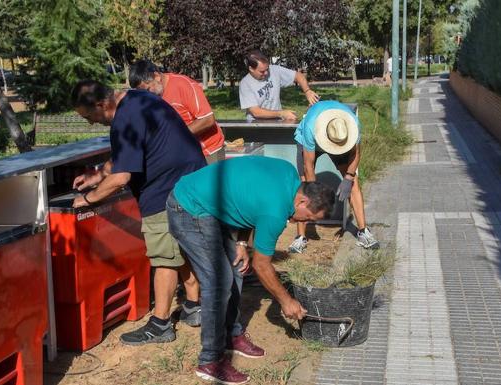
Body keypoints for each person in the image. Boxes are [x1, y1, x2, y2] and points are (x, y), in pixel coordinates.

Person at [167, 156, 335, 384]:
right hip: (189, 207)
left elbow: (248, 204)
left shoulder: (289, 175)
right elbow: (262, 265)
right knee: (218, 283)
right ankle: (210, 361)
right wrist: (286, 301)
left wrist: (242, 244)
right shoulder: (275, 212)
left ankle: (231, 336)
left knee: (236, 268)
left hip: (210, 207)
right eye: (309, 218)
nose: (306, 222)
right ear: (303, 202)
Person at [70, 80, 207, 345]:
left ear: (102, 104)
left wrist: (88, 199)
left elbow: (122, 177)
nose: (90, 123)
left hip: (166, 190)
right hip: (191, 181)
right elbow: (130, 150)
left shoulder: (124, 120)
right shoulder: (138, 100)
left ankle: (161, 324)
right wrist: (99, 175)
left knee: (164, 257)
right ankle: (193, 304)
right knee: (179, 247)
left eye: (89, 116)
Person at [290, 100, 379, 253]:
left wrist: (349, 177)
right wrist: (314, 196)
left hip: (339, 139)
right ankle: (300, 237)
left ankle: (363, 231)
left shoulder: (352, 125)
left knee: (354, 183)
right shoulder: (311, 128)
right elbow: (308, 166)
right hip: (311, 141)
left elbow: (356, 154)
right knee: (303, 184)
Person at [129, 60, 226, 164]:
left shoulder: (183, 85)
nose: (147, 95)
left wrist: (175, 135)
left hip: (208, 152)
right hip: (184, 153)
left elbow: (207, 119)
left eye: (148, 90)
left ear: (156, 76)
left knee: (208, 180)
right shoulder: (153, 95)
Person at [239, 50, 320, 121]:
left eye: (267, 69)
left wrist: (307, 91)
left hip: (277, 122)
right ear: (251, 69)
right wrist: (281, 114)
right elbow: (256, 112)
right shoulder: (245, 84)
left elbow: (298, 76)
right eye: (262, 71)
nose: (266, 73)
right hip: (256, 126)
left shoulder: (274, 70)